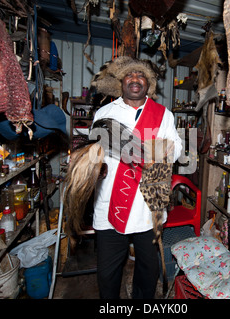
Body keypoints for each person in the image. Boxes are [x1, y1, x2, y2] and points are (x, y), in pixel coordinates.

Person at [90, 56, 183, 298]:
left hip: (148, 204)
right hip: (110, 202)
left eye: (141, 75)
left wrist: (147, 151)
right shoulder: (104, 113)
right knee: (108, 272)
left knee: (148, 269)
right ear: (121, 82)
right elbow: (94, 155)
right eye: (129, 75)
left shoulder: (163, 115)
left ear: (148, 83)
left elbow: (178, 151)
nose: (135, 79)